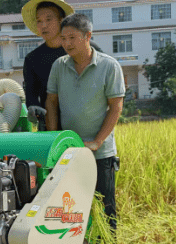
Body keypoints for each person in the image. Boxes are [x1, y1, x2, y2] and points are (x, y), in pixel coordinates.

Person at [45, 13, 125, 231]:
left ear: (88, 36)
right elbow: (51, 102)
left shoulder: (109, 66)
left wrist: (97, 142)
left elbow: (116, 107)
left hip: (99, 154)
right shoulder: (59, 66)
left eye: (72, 37)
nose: (66, 43)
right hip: (67, 153)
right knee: (70, 210)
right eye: (63, 38)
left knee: (104, 208)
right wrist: (53, 139)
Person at [20, 0, 103, 129]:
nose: (43, 25)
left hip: (88, 125)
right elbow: (31, 94)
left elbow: (106, 80)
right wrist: (33, 108)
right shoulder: (32, 59)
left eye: (48, 19)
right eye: (39, 21)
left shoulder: (88, 49)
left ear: (62, 20)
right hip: (51, 127)